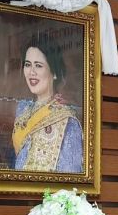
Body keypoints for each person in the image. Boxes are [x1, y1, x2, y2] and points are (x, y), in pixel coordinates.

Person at [11, 40, 83, 173]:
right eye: (27, 64)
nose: (31, 72)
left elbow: (70, 174)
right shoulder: (23, 111)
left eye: (38, 66)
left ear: (54, 72)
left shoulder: (67, 121)